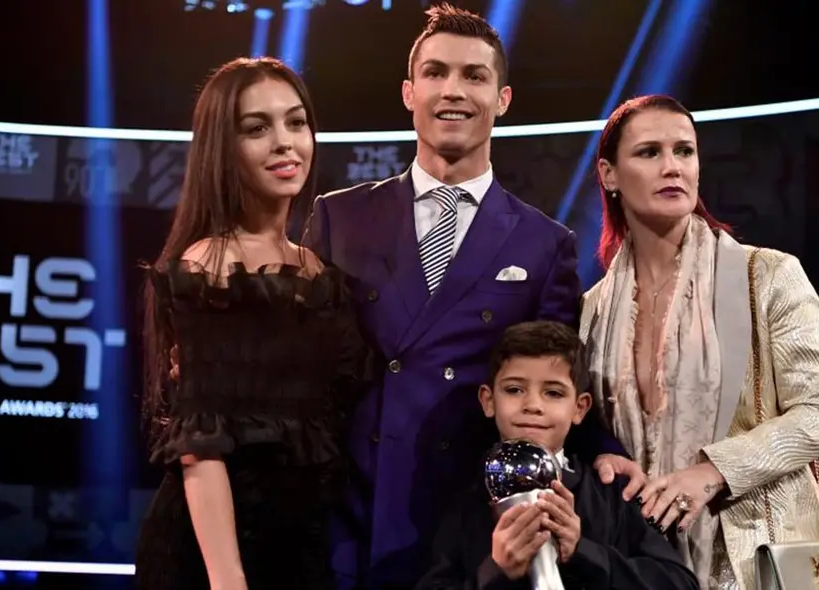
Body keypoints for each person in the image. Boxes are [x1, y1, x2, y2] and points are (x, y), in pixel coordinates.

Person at [308, 5, 643, 589]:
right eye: (436, 73)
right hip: (351, 517)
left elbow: (559, 372)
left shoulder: (545, 245)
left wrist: (604, 446)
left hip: (472, 529)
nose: (453, 92)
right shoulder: (339, 218)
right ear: (409, 93)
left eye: (474, 76)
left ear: (503, 97)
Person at [578, 94, 819, 590]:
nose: (672, 167)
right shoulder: (591, 312)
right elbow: (589, 427)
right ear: (609, 174)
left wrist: (712, 471)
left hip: (756, 561)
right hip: (647, 564)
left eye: (684, 151)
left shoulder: (767, 276)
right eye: (649, 152)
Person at [135, 57, 371, 590]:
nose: (285, 142)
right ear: (223, 148)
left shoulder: (317, 270)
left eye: (296, 122)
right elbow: (201, 444)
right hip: (217, 558)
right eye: (257, 128)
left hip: (300, 546)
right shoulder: (210, 266)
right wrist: (227, 579)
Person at [415, 321, 701, 590]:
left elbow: (679, 583)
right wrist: (496, 571)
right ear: (489, 401)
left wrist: (583, 552)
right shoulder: (467, 502)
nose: (533, 405)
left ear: (580, 408)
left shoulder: (611, 495)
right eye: (514, 390)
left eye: (553, 393)